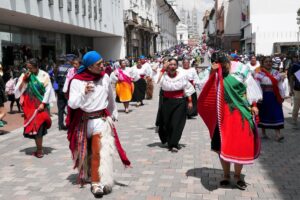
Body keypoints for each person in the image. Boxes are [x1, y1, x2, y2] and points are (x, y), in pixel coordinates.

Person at [67, 51, 130, 198]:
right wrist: (83, 92)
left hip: (101, 121)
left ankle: (97, 183)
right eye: (99, 64)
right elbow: (72, 104)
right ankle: (88, 174)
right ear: (89, 66)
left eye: (102, 62)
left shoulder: (105, 77)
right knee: (86, 152)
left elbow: (110, 96)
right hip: (83, 122)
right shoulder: (77, 81)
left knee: (98, 152)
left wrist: (114, 112)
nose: (103, 66)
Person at [198, 53, 262, 190]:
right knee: (222, 145)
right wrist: (212, 73)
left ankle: (238, 176)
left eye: (224, 64)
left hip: (240, 113)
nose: (223, 67)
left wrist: (254, 104)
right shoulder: (213, 71)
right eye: (218, 64)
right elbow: (202, 87)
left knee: (241, 145)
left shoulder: (241, 68)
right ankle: (226, 175)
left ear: (228, 61)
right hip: (221, 114)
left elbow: (250, 87)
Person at [14, 58, 56, 158]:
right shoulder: (25, 75)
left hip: (41, 105)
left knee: (39, 127)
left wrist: (43, 103)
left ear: (36, 67)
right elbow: (18, 91)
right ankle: (39, 148)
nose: (28, 70)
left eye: (30, 68)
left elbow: (48, 90)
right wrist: (25, 79)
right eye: (27, 67)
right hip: (29, 107)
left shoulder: (44, 75)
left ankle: (40, 150)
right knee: (34, 129)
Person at [157, 58, 195, 152]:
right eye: (170, 64)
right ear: (167, 66)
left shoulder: (182, 75)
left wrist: (190, 101)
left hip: (180, 102)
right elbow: (157, 81)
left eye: (174, 64)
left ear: (177, 66)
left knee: (176, 123)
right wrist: (162, 69)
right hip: (166, 102)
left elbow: (187, 89)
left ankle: (174, 144)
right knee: (167, 123)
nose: (172, 66)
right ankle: (170, 142)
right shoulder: (164, 75)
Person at [255, 56, 285, 141]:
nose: (268, 63)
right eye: (266, 62)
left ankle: (278, 134)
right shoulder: (259, 73)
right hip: (264, 96)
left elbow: (279, 85)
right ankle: (263, 133)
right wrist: (259, 97)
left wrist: (282, 95)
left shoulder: (276, 72)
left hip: (275, 96)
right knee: (264, 114)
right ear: (263, 63)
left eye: (270, 61)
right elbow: (257, 86)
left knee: (277, 113)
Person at [56, 54, 76, 130]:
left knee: (60, 109)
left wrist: (57, 91)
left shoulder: (59, 68)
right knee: (70, 107)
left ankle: (60, 125)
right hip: (68, 91)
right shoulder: (72, 68)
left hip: (60, 90)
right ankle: (70, 123)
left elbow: (56, 79)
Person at [288, 58, 300, 128]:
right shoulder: (296, 66)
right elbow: (291, 78)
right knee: (296, 107)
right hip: (297, 89)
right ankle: (294, 120)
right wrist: (291, 89)